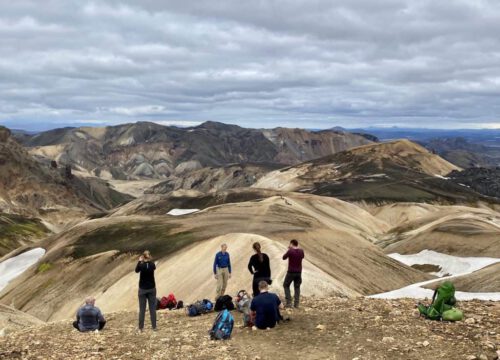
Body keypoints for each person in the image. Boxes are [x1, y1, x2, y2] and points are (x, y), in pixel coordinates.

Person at [135, 250, 157, 331]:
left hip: (142, 289)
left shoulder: (141, 265)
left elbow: (136, 270)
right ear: (149, 256)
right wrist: (149, 260)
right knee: (152, 309)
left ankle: (141, 328)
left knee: (142, 309)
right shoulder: (152, 265)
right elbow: (154, 267)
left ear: (143, 257)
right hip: (152, 288)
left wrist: (139, 261)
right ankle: (154, 327)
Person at [282, 239, 305, 308]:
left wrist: (289, 250)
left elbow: (283, 257)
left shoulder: (290, 251)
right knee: (297, 287)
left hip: (291, 272)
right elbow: (302, 257)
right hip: (299, 272)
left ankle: (289, 302)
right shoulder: (301, 251)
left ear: (291, 244)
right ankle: (296, 304)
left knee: (286, 285)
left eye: (290, 244)